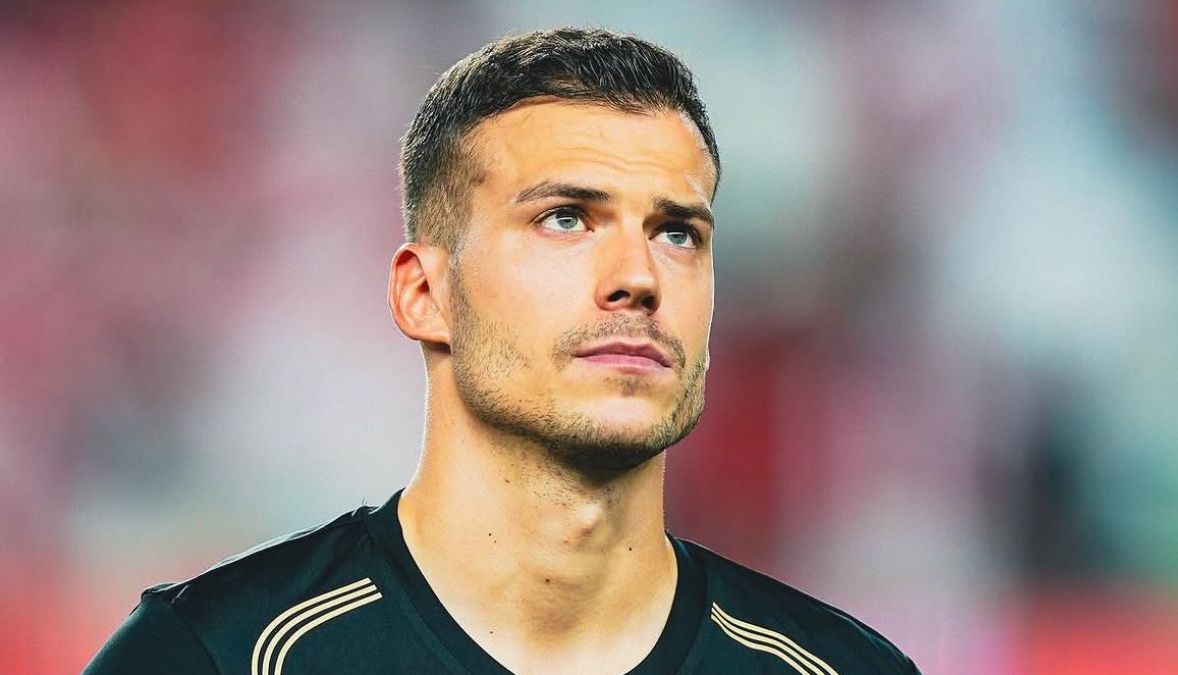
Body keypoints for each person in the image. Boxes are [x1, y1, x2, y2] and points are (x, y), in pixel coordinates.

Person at [85, 27, 920, 674]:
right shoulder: (216, 655)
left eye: (676, 232)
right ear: (424, 293)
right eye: (566, 218)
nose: (638, 277)